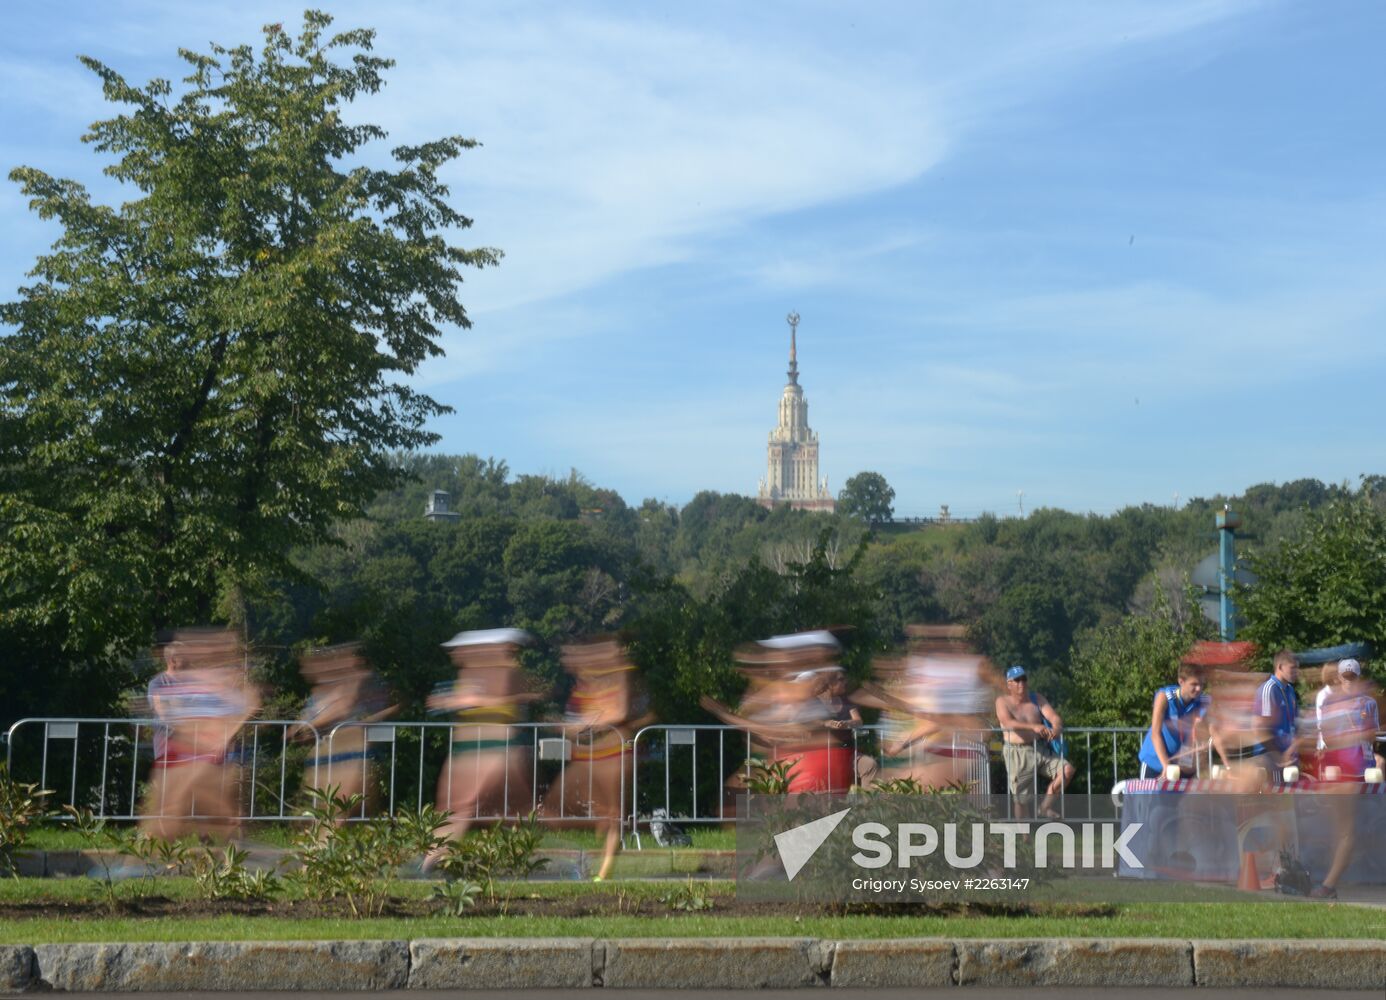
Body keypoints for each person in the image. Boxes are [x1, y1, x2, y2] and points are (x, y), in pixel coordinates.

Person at [424, 628, 542, 870]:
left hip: (494, 748)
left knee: (465, 808)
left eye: (460, 650)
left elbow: (516, 699)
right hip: (467, 748)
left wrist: (469, 701)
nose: (455, 654)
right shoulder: (467, 673)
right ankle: (509, 862)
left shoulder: (507, 671)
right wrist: (449, 702)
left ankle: (431, 863)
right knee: (476, 810)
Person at [294, 642, 398, 821]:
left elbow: (342, 707)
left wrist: (307, 725)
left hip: (350, 752)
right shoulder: (331, 685)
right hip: (330, 753)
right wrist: (299, 727)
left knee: (340, 809)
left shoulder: (361, 680)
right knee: (330, 808)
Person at [1312, 658, 1379, 898]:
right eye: (1345, 677)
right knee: (1340, 829)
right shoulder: (1330, 701)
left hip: (1359, 770)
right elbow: (1327, 736)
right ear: (1339, 678)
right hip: (1338, 771)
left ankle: (1329, 884)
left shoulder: (1368, 703)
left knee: (1348, 829)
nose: (1349, 681)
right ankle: (1332, 881)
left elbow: (1371, 736)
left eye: (1353, 677)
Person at [995, 665, 1074, 818]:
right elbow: (1008, 722)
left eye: (1024, 679)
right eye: (1017, 680)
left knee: (1067, 770)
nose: (1021, 683)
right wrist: (1034, 727)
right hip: (1017, 752)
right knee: (1021, 799)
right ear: (1009, 684)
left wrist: (1056, 728)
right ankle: (1025, 839)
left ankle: (1044, 807)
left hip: (1040, 748)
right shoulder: (1002, 701)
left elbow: (1054, 717)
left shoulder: (1036, 698)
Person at [1138, 663, 1229, 778]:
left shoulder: (1203, 701)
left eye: (1201, 684)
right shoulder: (1164, 697)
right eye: (1194, 684)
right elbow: (1155, 733)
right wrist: (1166, 765)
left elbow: (1215, 734)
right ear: (1181, 681)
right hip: (1155, 762)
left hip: (1182, 764)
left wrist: (1228, 766)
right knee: (1151, 796)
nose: (1199, 689)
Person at [1259, 649, 1303, 779]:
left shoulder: (1290, 690)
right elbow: (1262, 729)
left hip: (1289, 755)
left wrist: (1293, 749)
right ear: (1279, 667)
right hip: (1271, 756)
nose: (1296, 672)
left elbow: (1294, 724)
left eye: (1297, 668)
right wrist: (1278, 756)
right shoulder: (1269, 689)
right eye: (1293, 668)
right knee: (1275, 797)